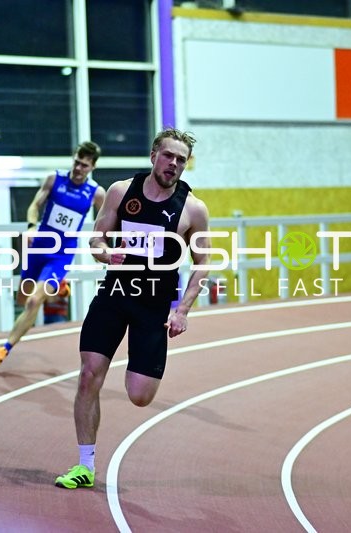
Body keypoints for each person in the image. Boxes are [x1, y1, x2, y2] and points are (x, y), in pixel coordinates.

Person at [55, 127, 211, 489]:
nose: (173, 164)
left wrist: (183, 310)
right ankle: (85, 465)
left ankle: (137, 369)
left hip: (154, 306)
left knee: (140, 396)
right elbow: (96, 238)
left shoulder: (193, 209)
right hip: (114, 294)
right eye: (168, 155)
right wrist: (107, 253)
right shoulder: (121, 192)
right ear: (154, 155)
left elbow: (203, 262)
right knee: (88, 376)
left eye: (181, 160)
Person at [0, 141, 105, 365]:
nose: (78, 169)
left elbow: (109, 218)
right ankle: (56, 288)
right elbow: (34, 205)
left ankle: (4, 348)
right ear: (73, 158)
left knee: (33, 302)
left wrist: (102, 242)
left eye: (84, 166)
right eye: (77, 163)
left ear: (92, 167)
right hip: (39, 248)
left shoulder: (96, 193)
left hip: (61, 256)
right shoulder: (55, 179)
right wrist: (31, 226)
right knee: (22, 299)